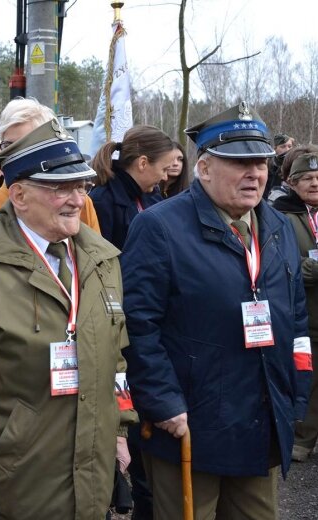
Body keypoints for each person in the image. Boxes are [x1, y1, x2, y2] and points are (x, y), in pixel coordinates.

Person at [0, 119, 135, 519]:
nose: (76, 200)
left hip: (93, 469)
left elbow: (117, 355)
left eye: (81, 187)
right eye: (60, 188)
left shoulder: (103, 258)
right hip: (18, 475)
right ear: (18, 195)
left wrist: (119, 428)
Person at [121, 102, 312, 519]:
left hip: (261, 422)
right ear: (204, 168)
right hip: (191, 426)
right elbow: (138, 327)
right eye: (240, 162)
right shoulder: (160, 227)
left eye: (260, 162)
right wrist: (164, 402)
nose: (255, 173)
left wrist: (298, 387)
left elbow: (296, 317)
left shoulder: (276, 226)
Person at [0, 97, 101, 233]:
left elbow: (96, 252)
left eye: (26, 146)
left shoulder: (80, 203)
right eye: (8, 146)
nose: (14, 154)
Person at [271, 147, 318, 462]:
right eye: (307, 178)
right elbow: (280, 266)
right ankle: (301, 439)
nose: (315, 183)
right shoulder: (281, 215)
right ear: (292, 182)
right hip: (306, 315)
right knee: (308, 380)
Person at [89, 125, 173, 250]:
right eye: (164, 169)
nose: (165, 177)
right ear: (143, 163)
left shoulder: (153, 195)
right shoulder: (102, 201)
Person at [264, 132, 296, 199]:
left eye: (289, 146)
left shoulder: (296, 164)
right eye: (283, 146)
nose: (287, 149)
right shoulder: (268, 164)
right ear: (275, 148)